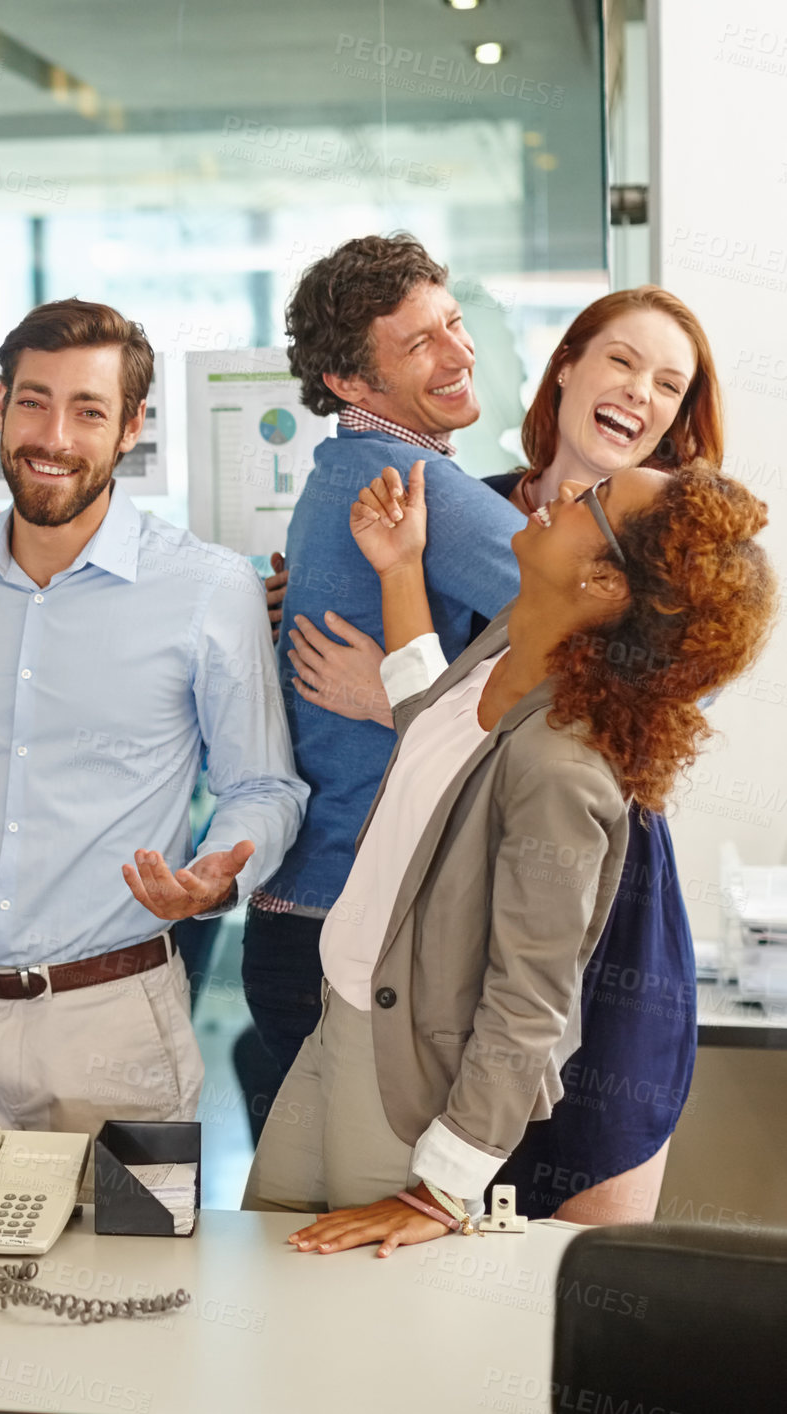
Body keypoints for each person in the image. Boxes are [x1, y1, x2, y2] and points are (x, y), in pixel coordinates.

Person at [0, 298, 308, 1193]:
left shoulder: (206, 588)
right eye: (33, 402)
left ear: (131, 428)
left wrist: (219, 871)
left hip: (116, 1024)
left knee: (136, 1300)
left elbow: (264, 784)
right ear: (0, 407)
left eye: (88, 410)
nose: (53, 436)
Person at [243, 455, 774, 1254]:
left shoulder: (564, 767)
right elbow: (439, 725)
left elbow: (531, 1003)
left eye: (592, 500)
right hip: (337, 1020)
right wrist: (400, 571)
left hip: (397, 1077)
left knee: (349, 1336)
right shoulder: (511, 651)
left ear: (603, 585)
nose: (563, 490)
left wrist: (441, 1192)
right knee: (262, 1264)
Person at [295, 286, 724, 1222]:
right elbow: (446, 702)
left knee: (567, 1284)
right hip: (437, 943)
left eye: (669, 385)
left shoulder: (666, 570)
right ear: (566, 364)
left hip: (585, 914)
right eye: (621, 361)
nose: (640, 394)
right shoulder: (478, 514)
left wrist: (382, 700)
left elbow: (626, 719)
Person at [242, 233, 525, 1094]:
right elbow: (602, 616)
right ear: (351, 385)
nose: (457, 353)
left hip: (307, 921)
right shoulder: (413, 480)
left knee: (340, 1210)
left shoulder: (343, 467)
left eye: (453, 322)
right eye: (419, 343)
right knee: (391, 1217)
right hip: (354, 930)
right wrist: (415, 700)